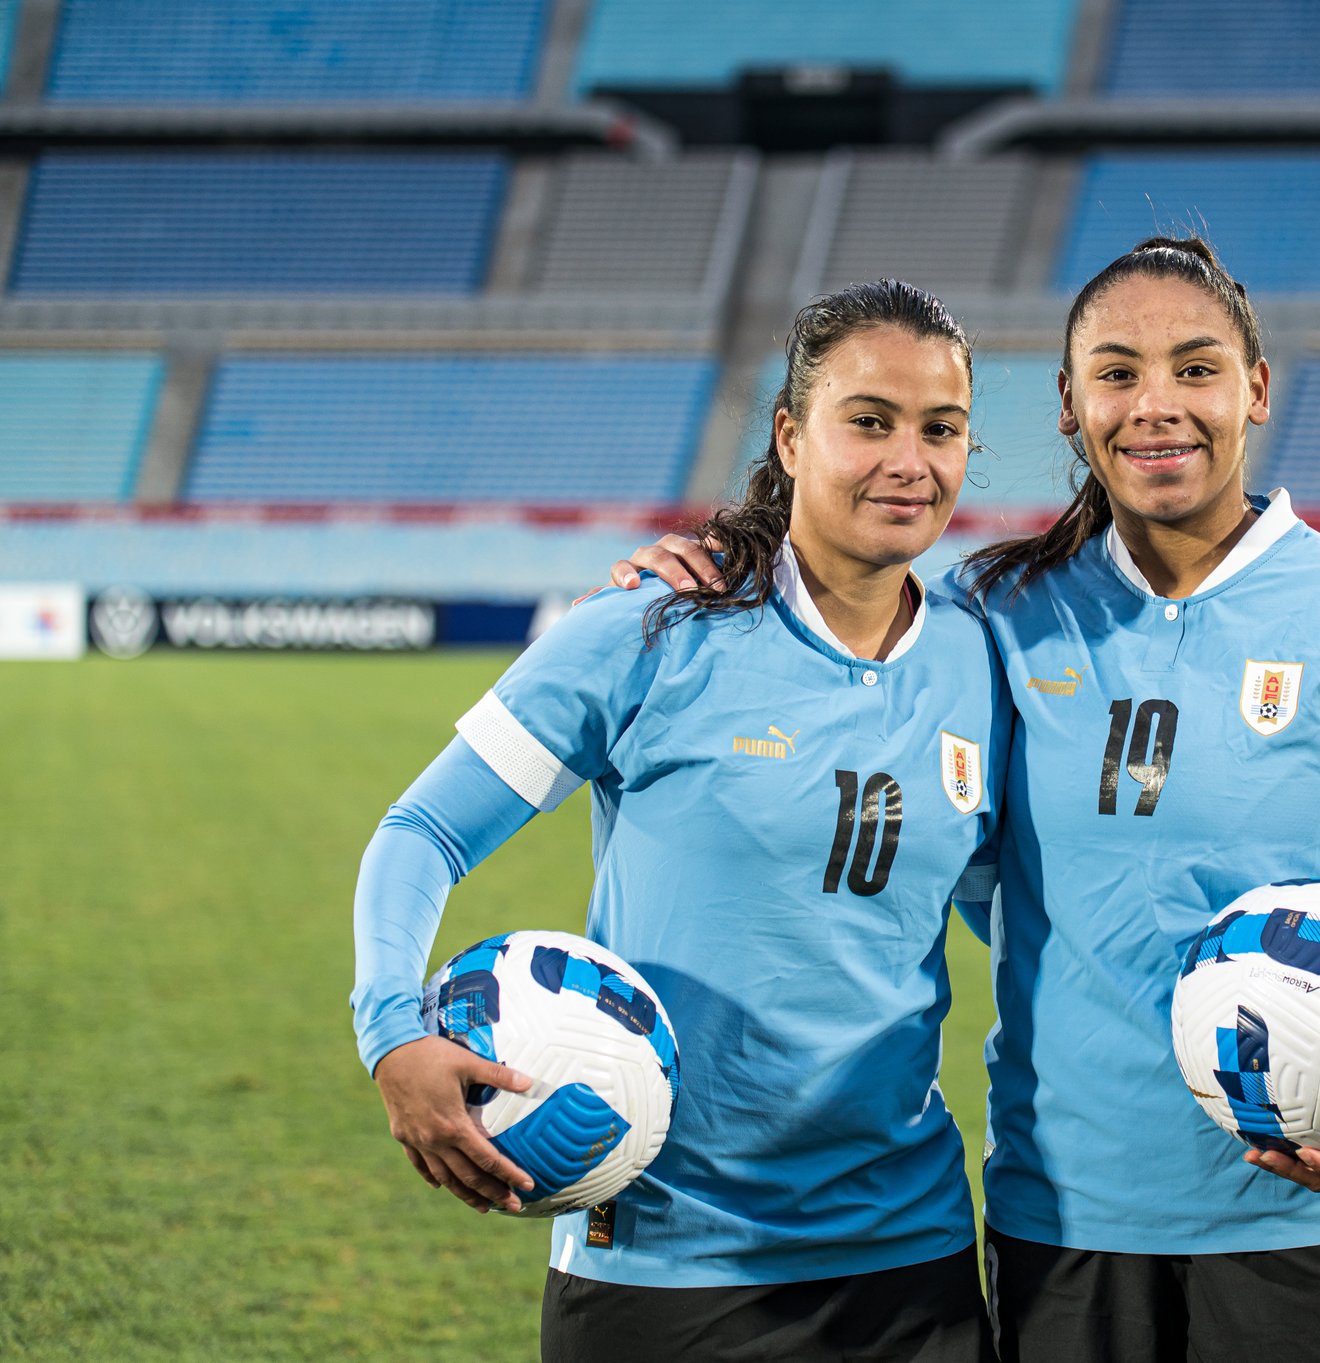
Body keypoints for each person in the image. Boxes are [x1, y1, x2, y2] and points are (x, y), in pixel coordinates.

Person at [612, 238, 1320, 1363]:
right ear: (1065, 403)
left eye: (1195, 369)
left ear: (1256, 387)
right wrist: (724, 570)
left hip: (1318, 1207)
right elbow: (954, 832)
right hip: (1067, 1213)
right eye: (1115, 371)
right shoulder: (994, 614)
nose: (1156, 406)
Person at [352, 280, 1008, 1363]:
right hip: (662, 1258)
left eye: (941, 429)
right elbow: (424, 830)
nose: (910, 459)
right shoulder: (649, 633)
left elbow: (1019, 921)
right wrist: (390, 1031)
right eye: (869, 421)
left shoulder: (977, 666)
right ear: (792, 437)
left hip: (908, 1260)